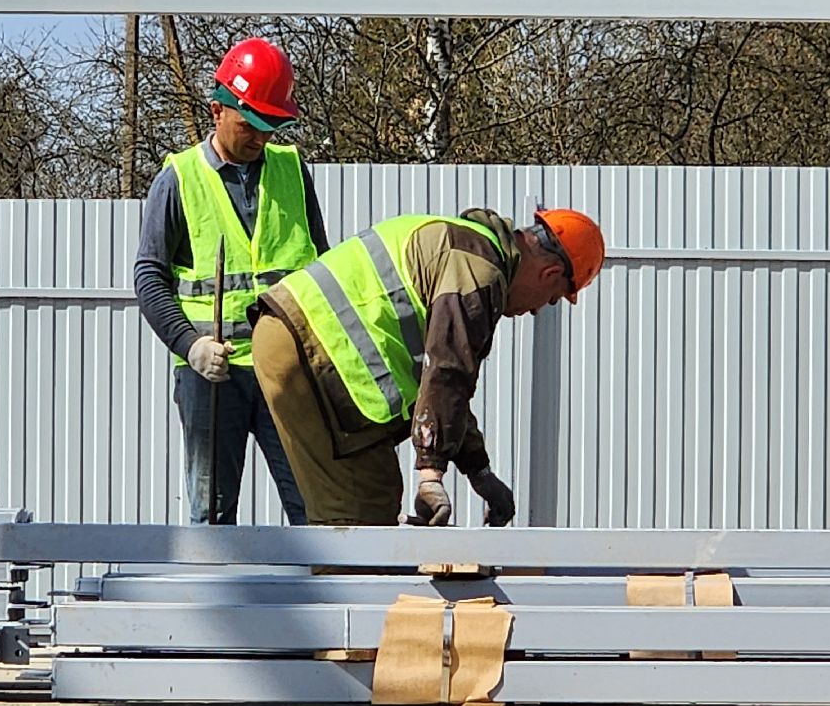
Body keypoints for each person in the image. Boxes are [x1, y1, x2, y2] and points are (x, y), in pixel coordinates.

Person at [249, 205, 605, 527]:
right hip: (311, 347)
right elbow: (447, 371)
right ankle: (355, 593)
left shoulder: (469, 248)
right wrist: (431, 474)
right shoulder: (479, 269)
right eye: (554, 297)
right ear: (550, 272)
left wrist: (478, 470)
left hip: (297, 338)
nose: (539, 309)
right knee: (360, 512)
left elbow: (445, 388)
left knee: (368, 504)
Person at [134, 37, 328, 525]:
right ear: (216, 109)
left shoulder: (292, 172)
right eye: (250, 125)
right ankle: (214, 599)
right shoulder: (179, 179)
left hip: (286, 373)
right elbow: (149, 275)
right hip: (211, 378)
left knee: (314, 509)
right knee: (212, 516)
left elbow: (321, 269)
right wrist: (190, 344)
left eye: (272, 126)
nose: (261, 138)